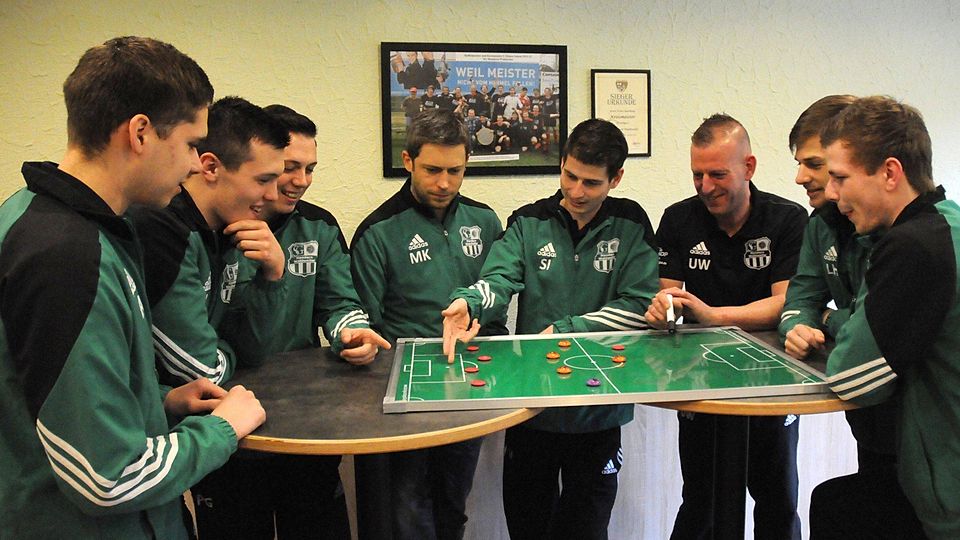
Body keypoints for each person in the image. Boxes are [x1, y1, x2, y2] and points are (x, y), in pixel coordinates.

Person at [0, 36, 265, 539]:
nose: (195, 165)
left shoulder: (47, 218)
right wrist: (221, 430)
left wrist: (159, 402)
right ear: (140, 132)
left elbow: (39, 394)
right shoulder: (67, 256)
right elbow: (107, 478)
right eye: (191, 144)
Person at [443, 119, 659, 540]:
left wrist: (566, 328)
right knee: (529, 529)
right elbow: (499, 280)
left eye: (592, 183)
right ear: (561, 164)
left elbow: (637, 307)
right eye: (570, 176)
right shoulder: (528, 220)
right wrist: (469, 303)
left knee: (587, 531)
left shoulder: (632, 224)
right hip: (532, 412)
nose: (576, 192)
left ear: (616, 178)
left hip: (599, 410)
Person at [196, 105, 390, 539]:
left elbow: (340, 303)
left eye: (311, 168)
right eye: (288, 168)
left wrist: (349, 333)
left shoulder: (318, 226)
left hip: (306, 425)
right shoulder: (211, 226)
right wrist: (271, 274)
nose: (301, 181)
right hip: (228, 425)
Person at [645, 114, 807, 539]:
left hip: (771, 382)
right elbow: (670, 297)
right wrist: (663, 311)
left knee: (777, 501)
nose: (705, 186)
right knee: (701, 501)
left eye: (718, 174)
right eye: (697, 174)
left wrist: (716, 315)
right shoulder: (678, 219)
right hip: (701, 382)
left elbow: (786, 303)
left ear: (749, 167)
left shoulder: (788, 219)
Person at [351, 108, 507, 540]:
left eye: (455, 171)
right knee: (409, 513)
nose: (444, 183)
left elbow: (498, 298)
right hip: (406, 395)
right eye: (432, 170)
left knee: (453, 507)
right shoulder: (377, 232)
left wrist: (483, 326)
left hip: (468, 388)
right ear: (408, 162)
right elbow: (366, 324)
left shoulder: (486, 221)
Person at [812, 96, 956, 539]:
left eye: (840, 178)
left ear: (890, 173)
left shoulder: (911, 246)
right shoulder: (947, 223)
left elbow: (853, 376)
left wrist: (830, 323)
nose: (832, 194)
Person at [130, 96, 290, 390]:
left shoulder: (230, 230)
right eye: (263, 180)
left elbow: (255, 352)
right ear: (211, 167)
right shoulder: (164, 229)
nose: (272, 196)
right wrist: (231, 353)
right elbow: (204, 374)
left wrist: (273, 276)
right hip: (155, 425)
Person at [778, 95, 900, 476]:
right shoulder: (822, 223)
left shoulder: (903, 234)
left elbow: (871, 326)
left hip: (909, 410)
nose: (800, 178)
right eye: (800, 164)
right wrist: (797, 326)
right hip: (866, 413)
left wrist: (828, 320)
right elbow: (799, 298)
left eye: (814, 164)